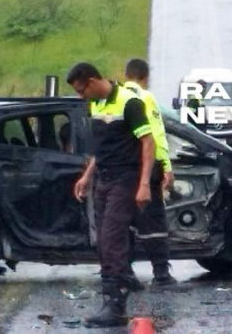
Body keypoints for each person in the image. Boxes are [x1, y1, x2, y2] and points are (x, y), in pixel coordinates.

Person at [67, 62, 156, 328]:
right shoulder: (96, 105)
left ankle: (116, 305)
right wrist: (87, 176)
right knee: (102, 242)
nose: (82, 97)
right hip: (103, 179)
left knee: (112, 239)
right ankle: (115, 290)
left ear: (93, 81)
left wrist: (144, 184)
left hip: (125, 179)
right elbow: (101, 148)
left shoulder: (130, 103)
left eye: (82, 91)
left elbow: (148, 142)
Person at [124, 58, 177, 286]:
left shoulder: (114, 98)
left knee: (124, 223)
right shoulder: (145, 98)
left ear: (127, 76)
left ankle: (124, 273)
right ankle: (161, 274)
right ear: (145, 78)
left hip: (121, 171)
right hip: (146, 169)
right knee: (153, 222)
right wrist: (166, 165)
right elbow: (156, 134)